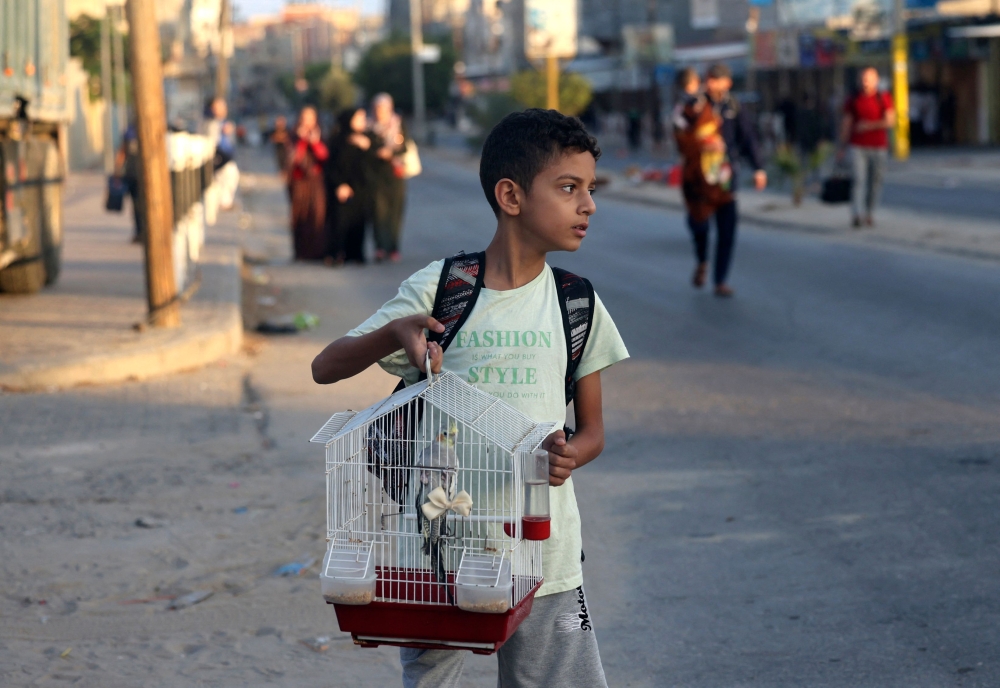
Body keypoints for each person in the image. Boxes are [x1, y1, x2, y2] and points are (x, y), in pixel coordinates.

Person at [310, 109, 629, 688]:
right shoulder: (444, 288)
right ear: (511, 195)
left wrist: (570, 455)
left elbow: (593, 432)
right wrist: (394, 333)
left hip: (544, 556)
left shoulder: (575, 303)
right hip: (435, 555)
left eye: (589, 189)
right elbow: (326, 366)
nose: (589, 205)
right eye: (568, 188)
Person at [675, 63, 766, 298]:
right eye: (709, 78)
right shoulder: (696, 103)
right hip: (699, 178)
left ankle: (720, 280)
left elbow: (748, 138)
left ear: (728, 83)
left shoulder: (734, 106)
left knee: (727, 230)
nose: (712, 83)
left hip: (725, 176)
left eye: (717, 79)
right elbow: (680, 130)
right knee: (699, 225)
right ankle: (702, 260)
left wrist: (758, 168)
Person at [838, 66, 894, 228]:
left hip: (878, 146)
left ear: (876, 81)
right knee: (858, 180)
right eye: (863, 79)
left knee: (875, 181)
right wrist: (841, 147)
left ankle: (870, 212)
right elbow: (846, 123)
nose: (865, 83)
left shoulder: (883, 98)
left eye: (869, 79)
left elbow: (890, 121)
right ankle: (856, 213)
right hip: (857, 146)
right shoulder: (853, 99)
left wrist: (868, 126)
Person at [324, 107, 373, 265]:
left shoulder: (367, 139)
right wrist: (339, 185)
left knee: (358, 221)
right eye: (359, 118)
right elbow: (332, 166)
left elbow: (371, 166)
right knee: (340, 222)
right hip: (342, 188)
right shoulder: (338, 140)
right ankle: (336, 253)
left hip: (360, 188)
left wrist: (367, 148)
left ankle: (355, 253)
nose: (363, 122)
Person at [369, 93, 408, 263]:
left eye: (383, 108)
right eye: (378, 108)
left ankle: (393, 247)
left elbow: (405, 146)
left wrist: (391, 151)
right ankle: (380, 247)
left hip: (395, 175)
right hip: (376, 176)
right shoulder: (369, 127)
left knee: (394, 213)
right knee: (378, 213)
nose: (380, 112)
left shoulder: (398, 125)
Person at [288, 106, 329, 261]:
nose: (307, 121)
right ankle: (301, 252)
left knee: (317, 215)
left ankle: (318, 251)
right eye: (304, 117)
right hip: (299, 182)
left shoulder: (320, 134)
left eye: (310, 118)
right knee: (300, 215)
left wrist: (314, 142)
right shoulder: (293, 136)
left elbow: (324, 156)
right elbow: (293, 159)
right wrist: (302, 141)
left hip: (316, 181)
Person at [205, 97, 240, 211]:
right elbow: (213, 141)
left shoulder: (223, 122)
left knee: (230, 177)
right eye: (219, 107)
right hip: (219, 157)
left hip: (226, 157)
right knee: (224, 178)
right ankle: (223, 203)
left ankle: (224, 202)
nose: (223, 109)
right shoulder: (210, 122)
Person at [114, 122, 144, 243]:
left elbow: (122, 152)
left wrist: (117, 170)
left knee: (137, 206)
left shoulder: (129, 132)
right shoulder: (132, 132)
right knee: (138, 206)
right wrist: (117, 170)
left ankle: (140, 232)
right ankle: (140, 232)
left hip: (133, 174)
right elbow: (122, 152)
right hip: (136, 175)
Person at [267, 115, 292, 180]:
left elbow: (288, 138)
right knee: (280, 160)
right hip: (278, 149)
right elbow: (272, 138)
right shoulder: (273, 130)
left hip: (286, 149)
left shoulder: (288, 130)